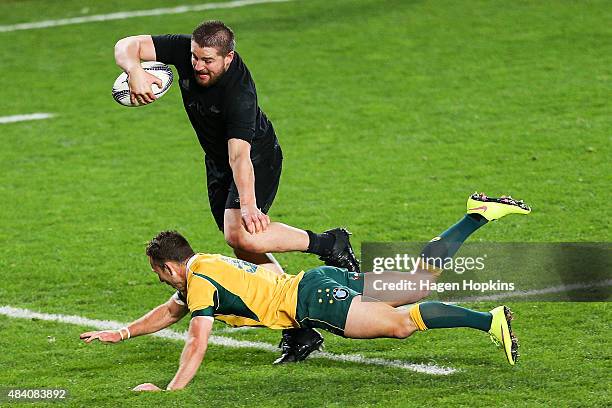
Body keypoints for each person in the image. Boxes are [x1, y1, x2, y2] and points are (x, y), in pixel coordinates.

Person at [81, 193, 530, 391]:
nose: (160, 280)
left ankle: (490, 321)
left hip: (311, 300)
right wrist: (120, 334)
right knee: (416, 282)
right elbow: (169, 311)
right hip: (315, 283)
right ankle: (476, 215)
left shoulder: (200, 284)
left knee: (398, 325)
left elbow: (197, 339)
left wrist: (171, 391)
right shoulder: (207, 265)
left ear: (169, 266)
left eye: (159, 272)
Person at [114, 20, 360, 363]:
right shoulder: (188, 50)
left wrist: (249, 205)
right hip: (216, 162)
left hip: (255, 155)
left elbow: (240, 156)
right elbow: (127, 43)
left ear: (228, 58)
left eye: (207, 61)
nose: (197, 65)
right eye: (195, 58)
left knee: (243, 235)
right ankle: (298, 327)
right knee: (243, 246)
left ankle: (327, 244)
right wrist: (134, 70)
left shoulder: (239, 94)